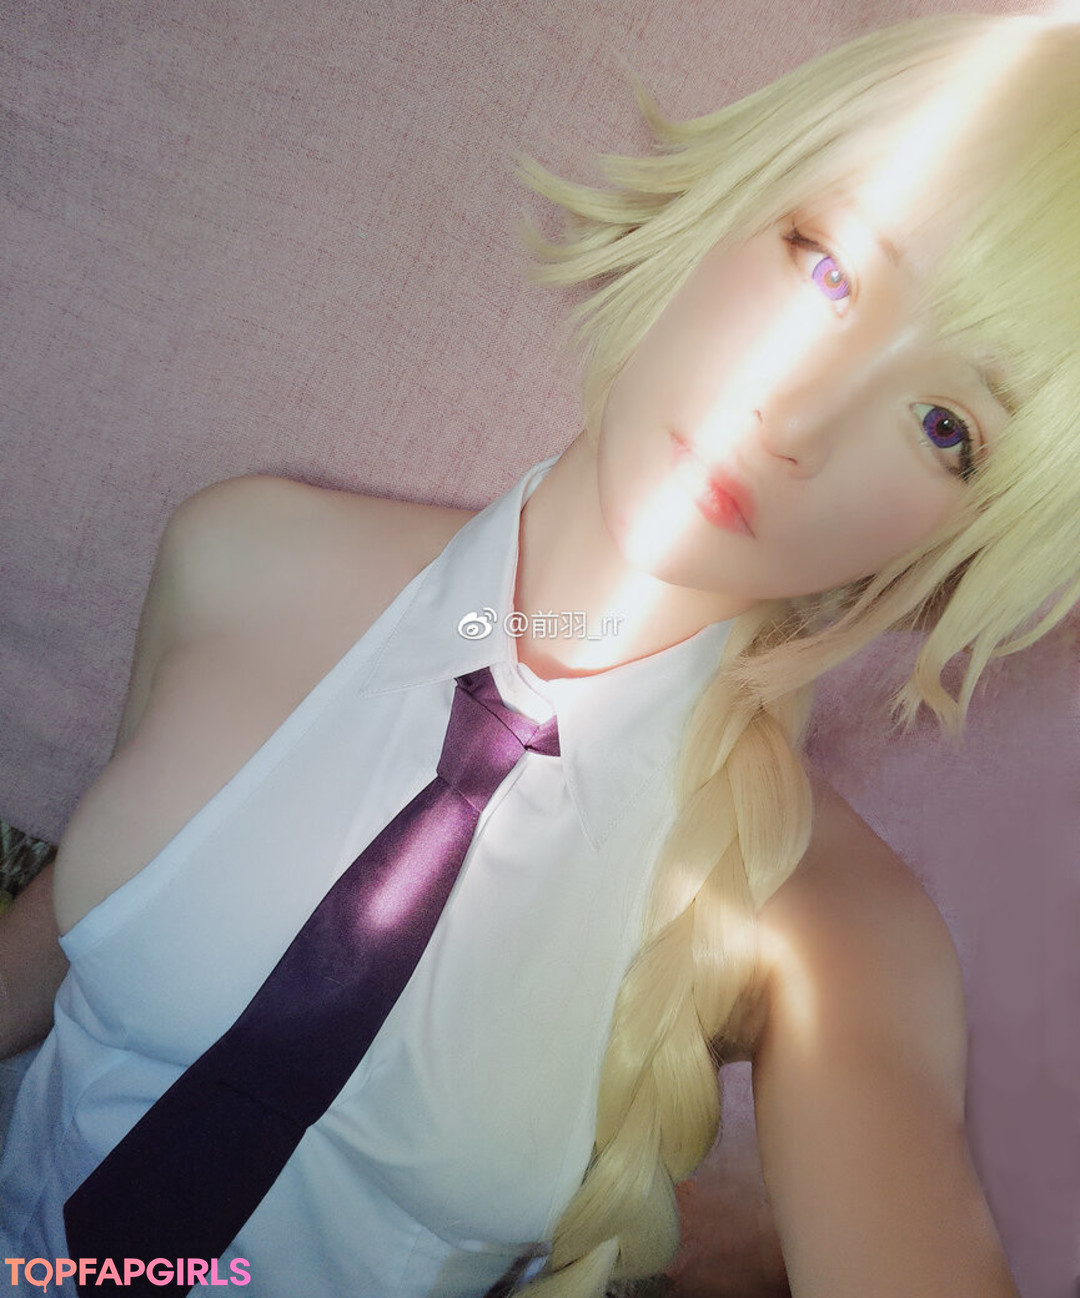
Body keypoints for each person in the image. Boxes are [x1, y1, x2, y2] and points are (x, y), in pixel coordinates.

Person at [1, 10, 1077, 1295]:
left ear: (976, 531)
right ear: (740, 200)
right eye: (832, 270)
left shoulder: (828, 923)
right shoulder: (246, 554)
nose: (794, 411)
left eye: (946, 424)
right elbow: (80, 928)